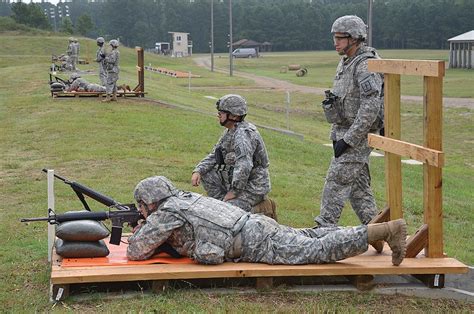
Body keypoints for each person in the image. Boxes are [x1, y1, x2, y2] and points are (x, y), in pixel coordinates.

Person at [127, 176, 407, 267]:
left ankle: (385, 231)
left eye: (142, 207)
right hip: (255, 225)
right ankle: (370, 232)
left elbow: (135, 250)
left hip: (251, 241)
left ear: (149, 202)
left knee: (317, 251)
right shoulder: (184, 198)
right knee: (312, 236)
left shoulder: (165, 213)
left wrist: (144, 227)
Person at [314, 16, 384, 236]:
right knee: (358, 190)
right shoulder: (346, 61)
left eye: (340, 38)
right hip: (342, 132)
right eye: (334, 38)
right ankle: (379, 233)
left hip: (358, 136)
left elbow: (370, 107)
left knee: (335, 183)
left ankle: (323, 232)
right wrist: (339, 135)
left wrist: (349, 140)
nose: (335, 42)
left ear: (354, 38)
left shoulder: (366, 64)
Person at [191, 94, 274, 217]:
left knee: (227, 213)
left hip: (252, 187)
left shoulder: (243, 136)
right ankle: (222, 203)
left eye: (222, 112)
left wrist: (234, 192)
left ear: (234, 116)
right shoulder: (230, 131)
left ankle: (260, 207)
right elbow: (215, 154)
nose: (218, 114)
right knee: (207, 173)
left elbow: (244, 166)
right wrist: (198, 170)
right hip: (237, 183)